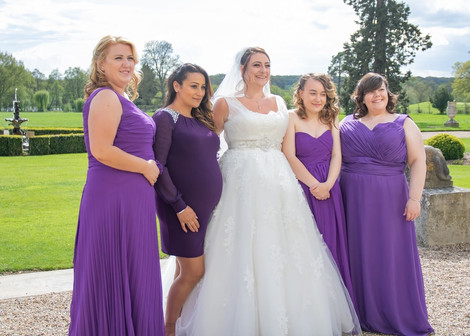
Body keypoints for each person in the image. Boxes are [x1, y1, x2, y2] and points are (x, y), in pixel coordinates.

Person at [175, 47, 361, 335]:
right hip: (238, 181)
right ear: (243, 69)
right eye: (256, 65)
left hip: (279, 181)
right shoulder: (225, 103)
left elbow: (292, 144)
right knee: (237, 245)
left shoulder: (279, 102)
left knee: (284, 245)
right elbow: (206, 144)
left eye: (267, 65)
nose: (263, 71)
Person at [69, 35, 164, 336]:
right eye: (118, 58)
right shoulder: (106, 96)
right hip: (113, 197)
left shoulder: (119, 98)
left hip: (133, 197)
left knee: (135, 270)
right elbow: (102, 150)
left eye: (130, 59)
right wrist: (146, 167)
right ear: (100, 64)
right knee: (111, 269)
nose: (126, 64)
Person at [339, 72, 434, 335]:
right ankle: (360, 312)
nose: (377, 95)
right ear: (361, 97)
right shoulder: (346, 123)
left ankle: (395, 312)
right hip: (353, 199)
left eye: (381, 90)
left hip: (391, 198)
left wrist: (414, 198)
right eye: (370, 91)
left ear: (388, 93)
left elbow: (418, 162)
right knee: (357, 252)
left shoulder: (403, 123)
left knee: (390, 254)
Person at [152, 63, 222, 336]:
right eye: (194, 86)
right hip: (180, 208)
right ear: (176, 86)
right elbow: (159, 166)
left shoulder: (201, 118)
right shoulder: (165, 118)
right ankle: (168, 330)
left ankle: (177, 326)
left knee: (189, 271)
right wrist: (179, 206)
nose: (200, 92)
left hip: (205, 208)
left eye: (203, 87)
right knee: (193, 272)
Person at [282, 73, 355, 306]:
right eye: (312, 92)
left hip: (329, 188)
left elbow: (337, 155)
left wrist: (328, 185)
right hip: (302, 187)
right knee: (305, 244)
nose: (318, 98)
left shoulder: (331, 118)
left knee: (331, 241)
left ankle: (333, 307)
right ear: (300, 94)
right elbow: (289, 155)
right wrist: (314, 185)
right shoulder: (290, 118)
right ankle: (308, 306)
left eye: (323, 94)